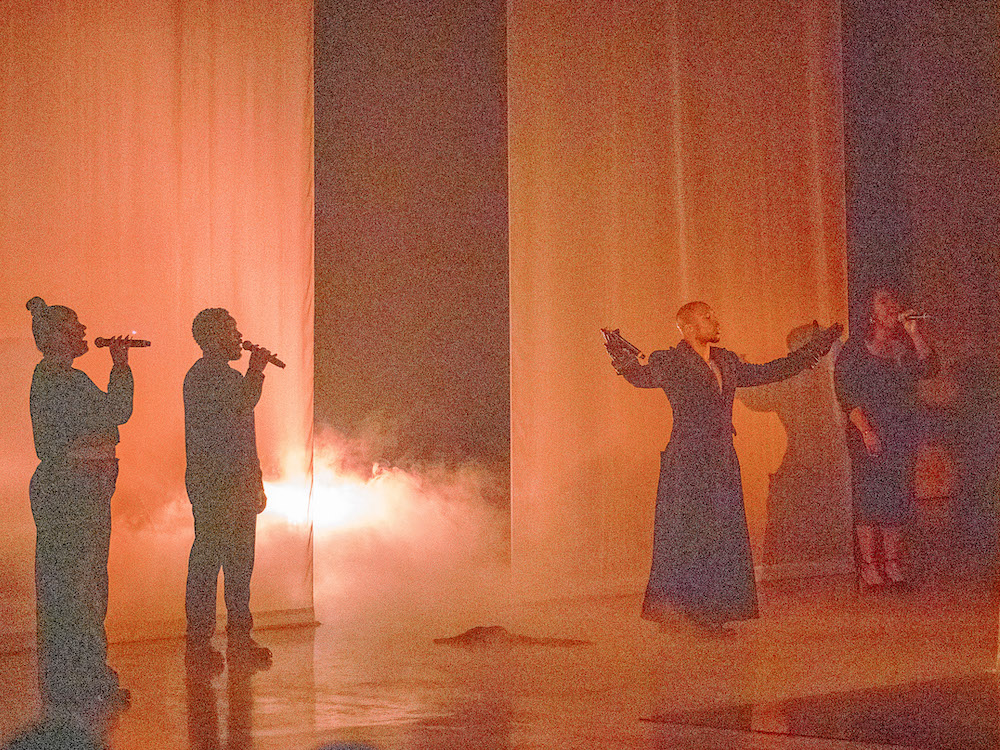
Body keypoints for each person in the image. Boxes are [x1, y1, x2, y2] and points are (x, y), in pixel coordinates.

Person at [608, 301, 840, 634]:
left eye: (713, 316)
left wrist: (815, 349)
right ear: (687, 328)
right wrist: (621, 355)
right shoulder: (670, 361)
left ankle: (711, 612)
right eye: (707, 317)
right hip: (687, 459)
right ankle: (682, 613)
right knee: (687, 533)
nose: (715, 321)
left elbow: (771, 371)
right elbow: (641, 377)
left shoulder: (726, 361)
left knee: (721, 533)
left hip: (720, 459)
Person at [26, 297, 133, 711]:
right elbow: (116, 411)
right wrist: (120, 366)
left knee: (72, 587)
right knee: (80, 589)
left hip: (72, 490)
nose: (83, 330)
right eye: (73, 325)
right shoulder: (62, 381)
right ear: (54, 336)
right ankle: (85, 680)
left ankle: (74, 680)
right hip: (73, 492)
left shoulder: (57, 378)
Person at [183, 308, 274, 670]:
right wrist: (257, 369)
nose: (240, 337)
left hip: (236, 482)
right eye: (233, 331)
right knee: (209, 562)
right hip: (215, 483)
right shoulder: (205, 376)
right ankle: (199, 643)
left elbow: (243, 436)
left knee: (240, 564)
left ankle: (239, 637)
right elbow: (241, 406)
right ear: (214, 337)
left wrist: (256, 481)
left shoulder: (225, 375)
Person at [833, 288, 935, 590]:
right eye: (884, 302)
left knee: (897, 497)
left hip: (901, 430)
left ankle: (892, 563)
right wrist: (866, 431)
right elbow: (846, 393)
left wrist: (914, 333)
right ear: (871, 312)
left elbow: (929, 368)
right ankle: (869, 566)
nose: (892, 306)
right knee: (870, 499)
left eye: (894, 300)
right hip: (868, 430)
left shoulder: (903, 345)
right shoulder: (855, 349)